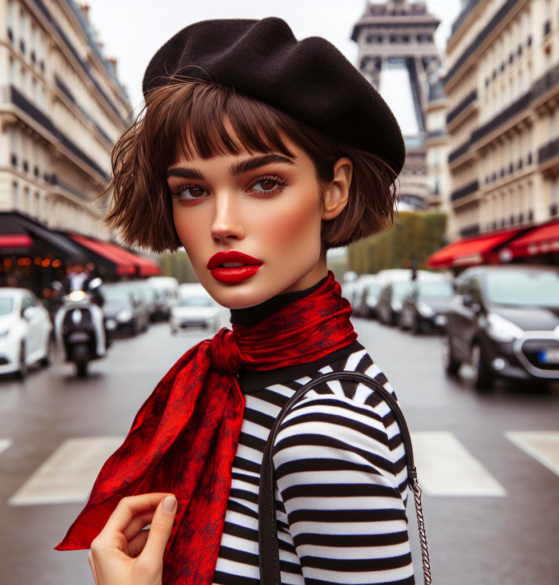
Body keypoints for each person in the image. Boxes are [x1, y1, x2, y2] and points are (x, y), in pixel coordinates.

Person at [57, 18, 414, 584]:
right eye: (192, 191)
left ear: (334, 190)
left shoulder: (324, 428)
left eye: (263, 182)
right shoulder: (258, 382)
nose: (222, 224)